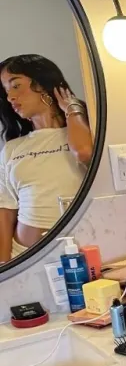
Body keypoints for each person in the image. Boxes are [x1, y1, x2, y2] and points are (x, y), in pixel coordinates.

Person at [0, 54, 93, 262]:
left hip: (79, 255)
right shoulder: (12, 148)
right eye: (6, 91)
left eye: (16, 86)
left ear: (42, 84)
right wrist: (4, 266)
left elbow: (84, 152)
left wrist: (72, 108)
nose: (10, 97)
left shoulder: (84, 132)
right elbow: (5, 212)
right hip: (23, 257)